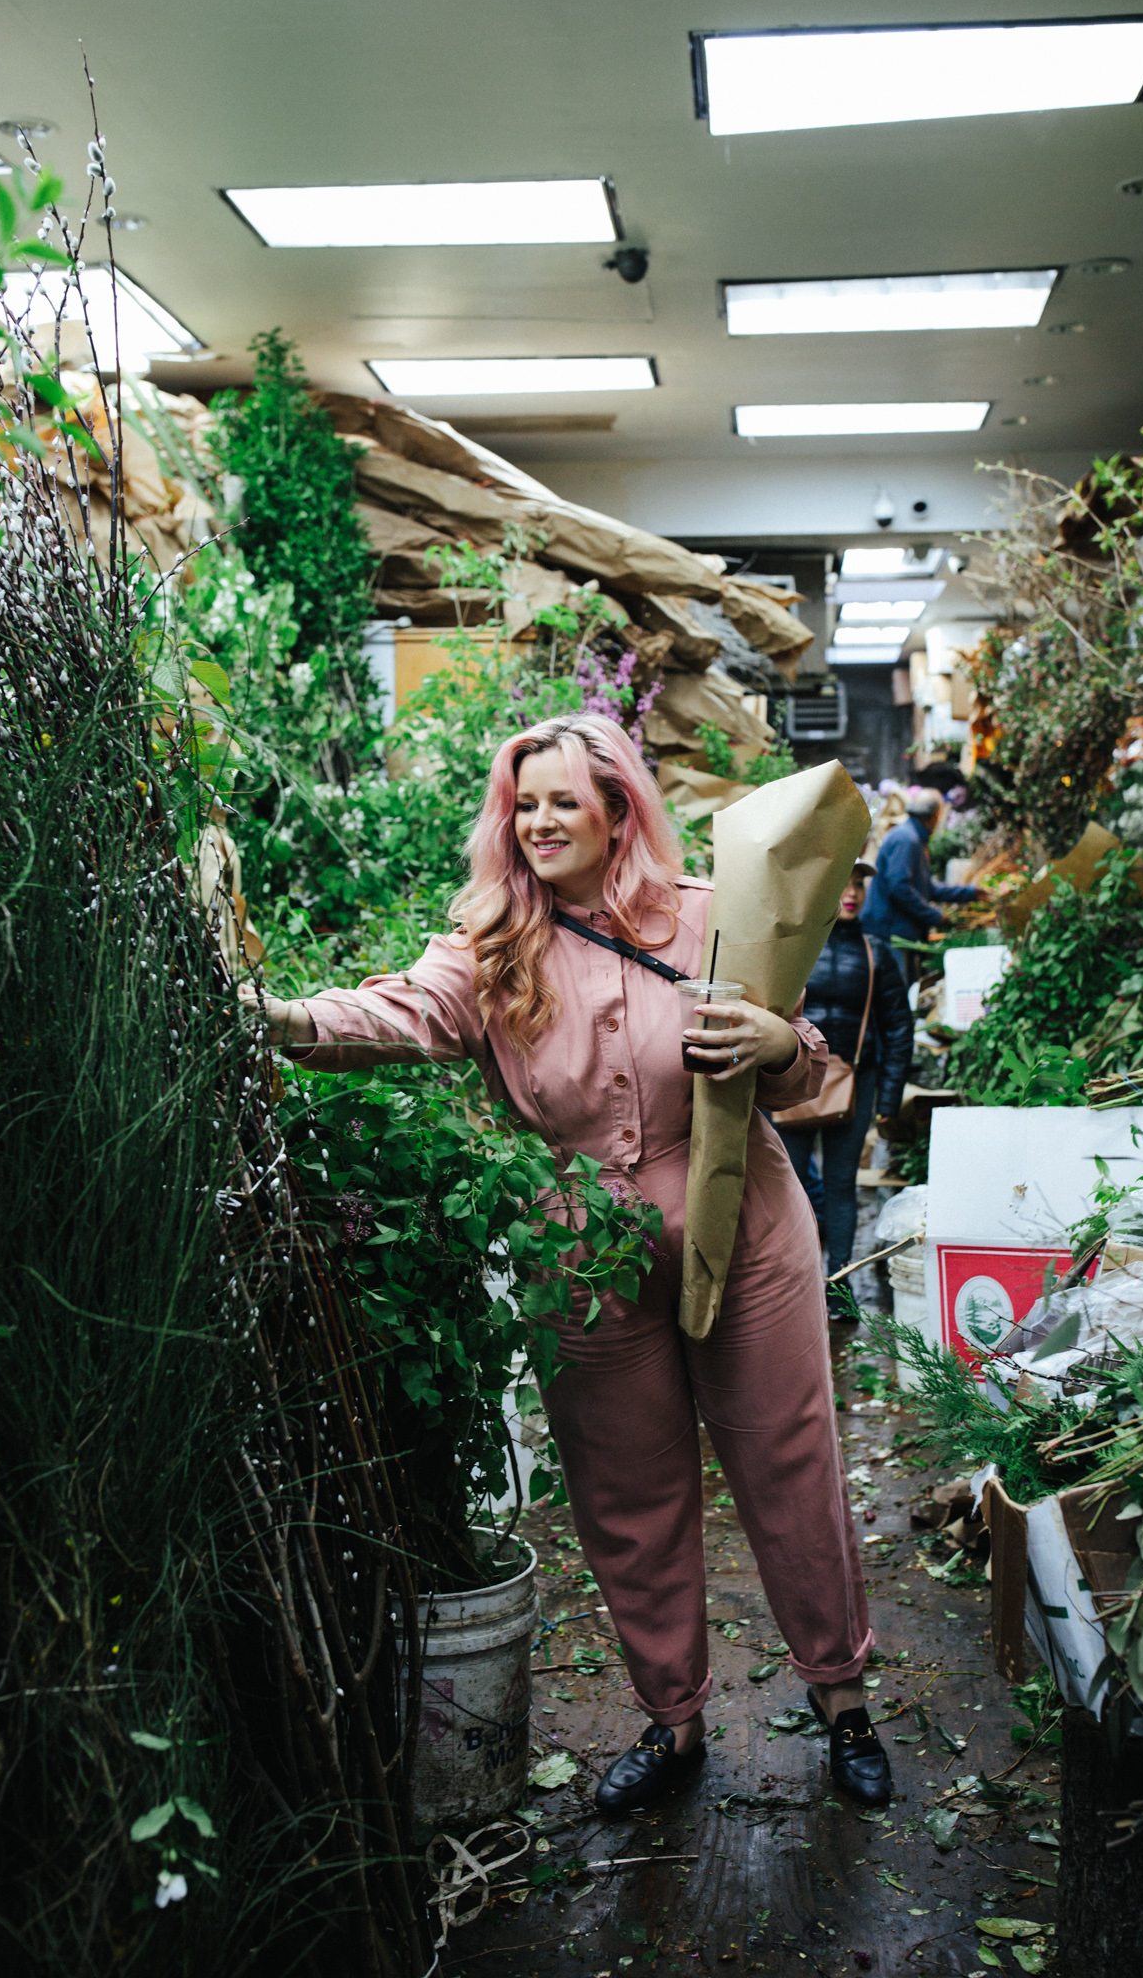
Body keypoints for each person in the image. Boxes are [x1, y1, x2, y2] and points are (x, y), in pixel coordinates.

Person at [241, 714, 891, 1814]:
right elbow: (402, 1009)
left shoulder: (706, 917)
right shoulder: (492, 944)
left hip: (743, 1219)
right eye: (522, 803)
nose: (538, 821)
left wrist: (780, 1045)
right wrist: (284, 1019)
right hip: (577, 1241)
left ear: (618, 810)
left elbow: (804, 1056)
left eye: (562, 801)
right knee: (625, 1489)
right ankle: (673, 1720)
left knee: (789, 1460)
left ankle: (843, 1699)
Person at [773, 860, 913, 1306]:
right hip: (794, 1079)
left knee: (840, 1185)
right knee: (787, 1185)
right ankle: (796, 1279)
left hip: (856, 1084)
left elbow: (898, 1029)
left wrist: (889, 1098)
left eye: (858, 885)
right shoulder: (793, 947)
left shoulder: (877, 953)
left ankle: (839, 1283)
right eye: (842, 884)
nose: (851, 892)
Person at [859, 784, 980, 982]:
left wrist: (971, 893)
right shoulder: (907, 840)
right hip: (889, 934)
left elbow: (927, 888)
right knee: (896, 990)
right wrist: (934, 916)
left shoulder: (913, 837)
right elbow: (899, 887)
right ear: (934, 817)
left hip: (897, 932)